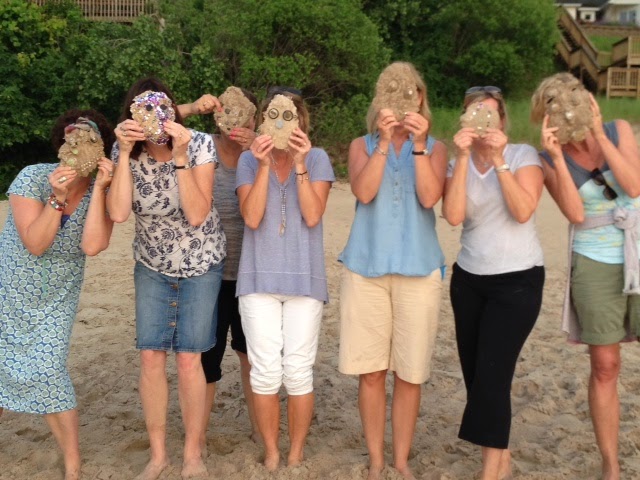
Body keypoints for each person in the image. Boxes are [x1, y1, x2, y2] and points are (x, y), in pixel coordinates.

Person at [106, 77, 225, 480]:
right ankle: (158, 455)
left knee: (190, 359)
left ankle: (192, 453)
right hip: (152, 266)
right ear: (132, 115)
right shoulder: (125, 151)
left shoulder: (200, 144)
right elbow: (118, 213)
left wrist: (180, 156)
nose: (154, 118)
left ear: (173, 111)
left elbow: (197, 213)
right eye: (144, 111)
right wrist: (124, 153)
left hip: (201, 263)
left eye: (162, 109)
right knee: (151, 356)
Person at [338, 62, 447, 480]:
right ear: (380, 97)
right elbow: (364, 192)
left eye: (412, 92)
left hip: (419, 269)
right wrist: (384, 142)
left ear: (421, 98)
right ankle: (376, 460)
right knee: (371, 372)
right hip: (366, 269)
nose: (404, 100)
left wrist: (417, 146)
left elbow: (429, 197)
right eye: (394, 91)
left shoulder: (435, 148)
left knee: (410, 373)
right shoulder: (360, 145)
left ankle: (400, 461)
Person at [532, 73, 640, 480]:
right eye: (555, 105)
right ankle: (611, 465)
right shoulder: (547, 159)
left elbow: (634, 185)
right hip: (593, 259)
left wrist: (598, 133)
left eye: (574, 99)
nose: (566, 109)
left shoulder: (618, 129)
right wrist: (558, 158)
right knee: (605, 364)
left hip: (636, 247)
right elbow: (575, 214)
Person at [0, 109, 115, 480]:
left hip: (56, 299)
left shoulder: (102, 192)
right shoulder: (32, 177)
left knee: (48, 369)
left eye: (86, 142)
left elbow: (93, 245)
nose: (75, 149)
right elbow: (35, 243)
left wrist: (99, 188)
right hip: (9, 290)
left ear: (100, 150)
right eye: (70, 141)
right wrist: (57, 197)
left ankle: (72, 465)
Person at [442, 86, 545, 480]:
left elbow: (523, 211)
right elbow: (453, 216)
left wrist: (499, 159)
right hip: (469, 279)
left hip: (517, 280)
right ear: (464, 119)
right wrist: (462, 156)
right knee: (476, 375)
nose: (482, 119)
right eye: (474, 112)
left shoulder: (522, 155)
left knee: (492, 374)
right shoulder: (458, 162)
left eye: (490, 112)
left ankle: (490, 471)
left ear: (502, 120)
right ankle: (501, 456)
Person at [235, 86, 335, 470]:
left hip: (304, 281)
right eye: (273, 116)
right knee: (264, 371)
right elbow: (252, 217)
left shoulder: (318, 158)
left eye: (289, 116)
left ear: (301, 120)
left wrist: (300, 163)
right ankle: (272, 451)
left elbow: (312, 215)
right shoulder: (248, 160)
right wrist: (263, 165)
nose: (280, 123)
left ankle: (295, 451)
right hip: (258, 280)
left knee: (297, 371)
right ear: (263, 120)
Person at [177, 90, 261, 448]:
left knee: (252, 356)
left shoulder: (264, 151)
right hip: (206, 272)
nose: (236, 121)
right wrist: (192, 107)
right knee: (205, 358)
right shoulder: (201, 146)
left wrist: (261, 148)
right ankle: (198, 437)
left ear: (255, 118)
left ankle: (260, 429)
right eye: (228, 112)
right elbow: (156, 123)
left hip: (252, 274)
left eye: (244, 114)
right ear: (217, 115)